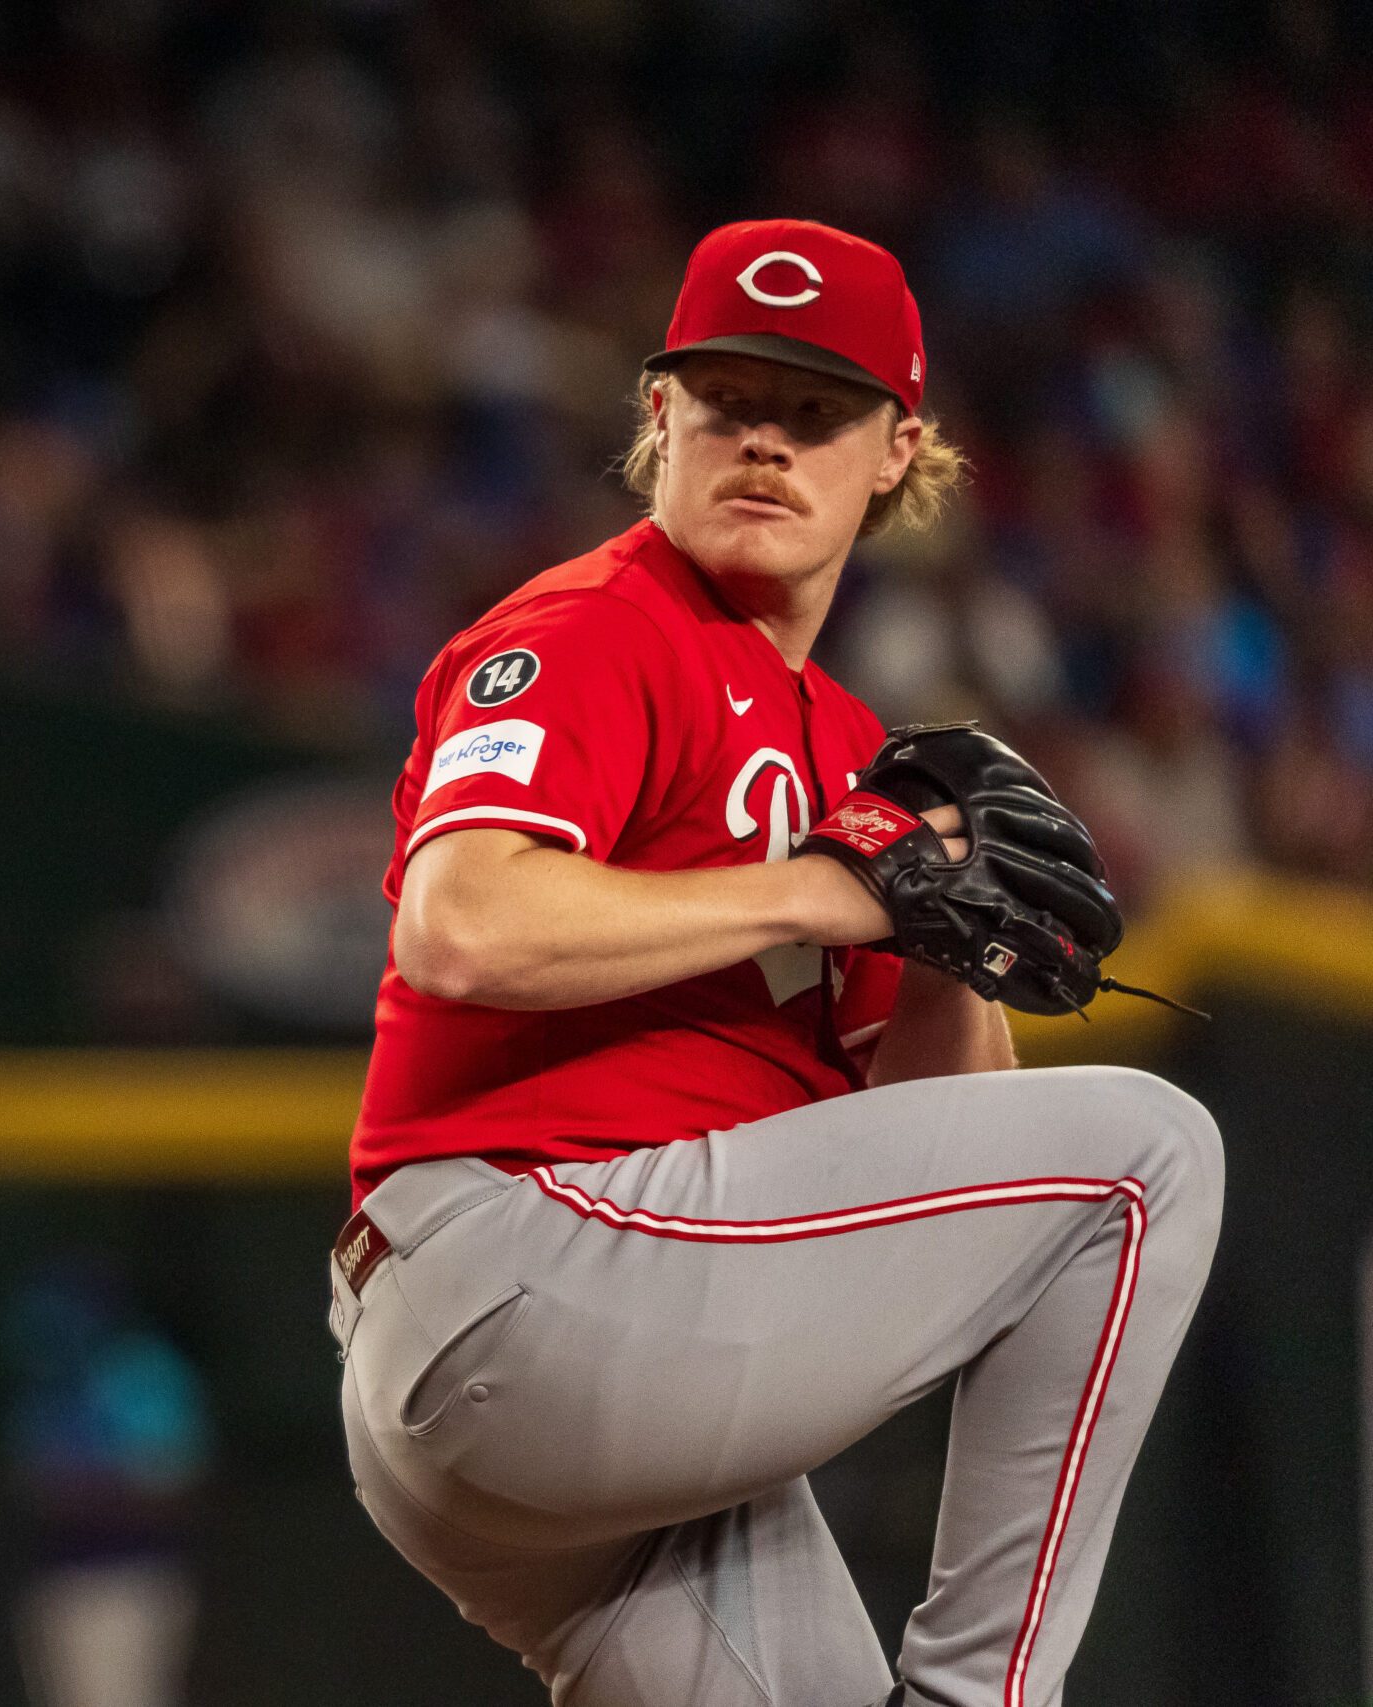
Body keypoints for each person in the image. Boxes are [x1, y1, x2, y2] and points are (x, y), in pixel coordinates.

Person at [329, 219, 1223, 1707]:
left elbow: (949, 1167)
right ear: (659, 418)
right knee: (1149, 1155)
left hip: (597, 1395)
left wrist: (944, 942)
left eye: (814, 414)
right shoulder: (595, 628)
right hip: (518, 1268)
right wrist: (820, 893)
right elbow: (465, 924)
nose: (764, 443)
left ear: (896, 454)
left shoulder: (859, 759)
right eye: (728, 402)